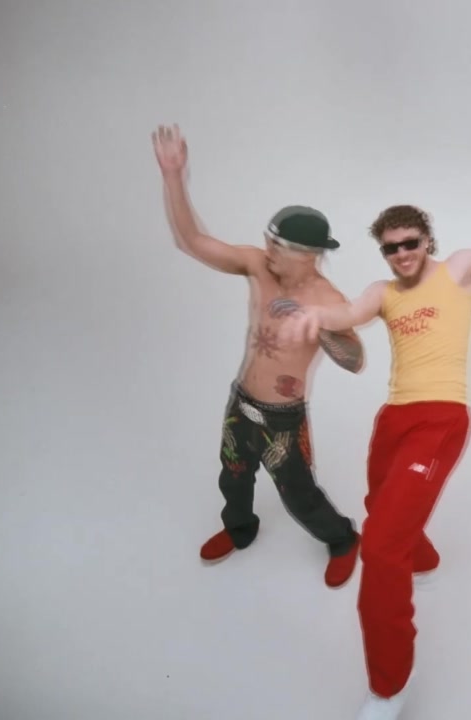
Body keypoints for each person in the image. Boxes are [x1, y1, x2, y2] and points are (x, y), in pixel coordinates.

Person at [280, 154, 471, 719]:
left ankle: (389, 688)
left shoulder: (461, 269)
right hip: (394, 419)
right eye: (391, 247)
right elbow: (347, 314)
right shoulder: (383, 291)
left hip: (441, 419)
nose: (402, 254)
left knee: (380, 548)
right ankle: (422, 559)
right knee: (380, 503)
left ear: (428, 240)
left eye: (410, 243)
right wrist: (312, 317)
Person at [152, 124, 364, 588]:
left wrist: (320, 324)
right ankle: (240, 529)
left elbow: (355, 360)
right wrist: (173, 177)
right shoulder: (256, 264)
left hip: (282, 417)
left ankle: (343, 539)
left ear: (308, 255)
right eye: (267, 239)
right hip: (240, 401)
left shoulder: (327, 298)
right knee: (233, 475)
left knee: (298, 494)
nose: (266, 249)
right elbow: (191, 242)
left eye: (277, 246)